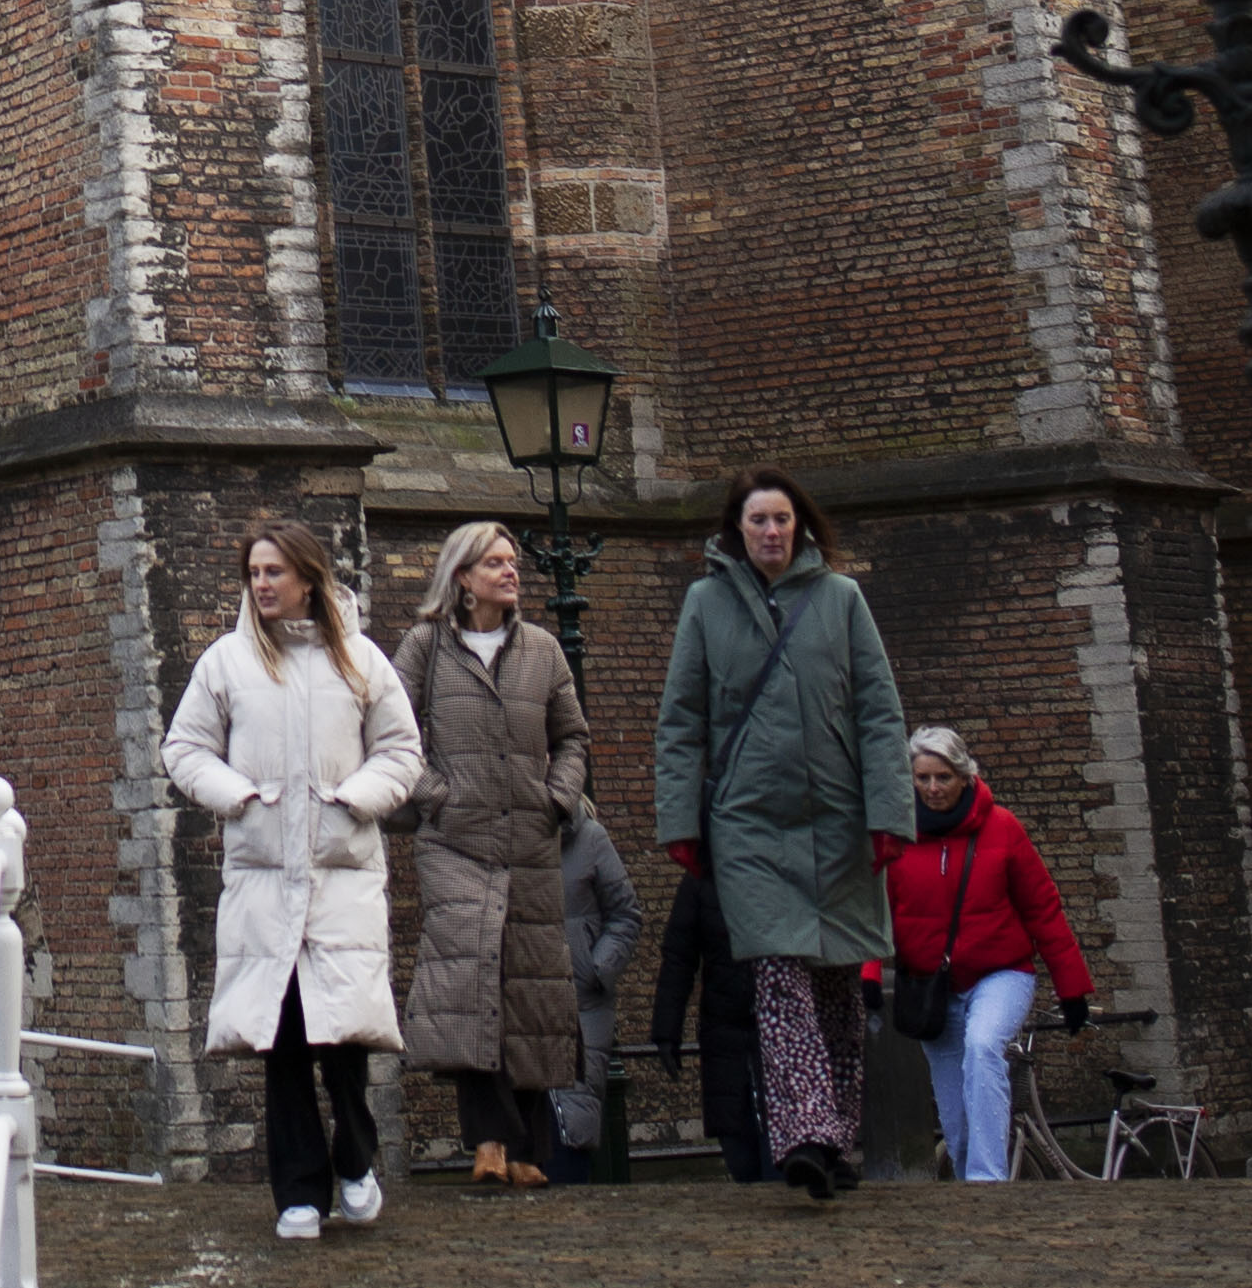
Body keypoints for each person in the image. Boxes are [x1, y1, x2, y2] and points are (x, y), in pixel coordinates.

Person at [650, 468, 911, 1204]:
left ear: (800, 528)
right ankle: (804, 1135)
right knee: (778, 974)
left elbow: (879, 713)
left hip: (839, 819)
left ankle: (837, 1134)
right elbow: (681, 722)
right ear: (737, 528)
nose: (770, 532)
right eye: (758, 520)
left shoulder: (842, 600)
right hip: (749, 824)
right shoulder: (705, 605)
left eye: (782, 520)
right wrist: (681, 822)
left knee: (835, 984)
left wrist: (889, 814)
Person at [160, 517, 422, 1244]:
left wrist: (356, 799)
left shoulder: (360, 661)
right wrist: (239, 796)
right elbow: (183, 748)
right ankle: (296, 1191)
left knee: (344, 1040)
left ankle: (355, 1159)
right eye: (254, 573)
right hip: (266, 882)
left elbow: (402, 750)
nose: (263, 585)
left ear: (309, 578)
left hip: (341, 879)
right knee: (284, 1042)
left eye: (275, 572)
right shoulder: (227, 664)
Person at [389, 521, 589, 1187]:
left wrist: (555, 799)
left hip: (529, 840)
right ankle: (486, 1143)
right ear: (462, 577)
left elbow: (573, 738)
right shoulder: (424, 648)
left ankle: (528, 1148)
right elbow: (389, 732)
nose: (511, 571)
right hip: (456, 842)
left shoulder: (543, 651)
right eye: (495, 563)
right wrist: (434, 795)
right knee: (469, 979)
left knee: (529, 987)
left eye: (513, 561)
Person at [885, 723, 1095, 1180]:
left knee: (983, 1047)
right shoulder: (895, 836)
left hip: (1000, 973)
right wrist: (866, 974)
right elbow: (872, 913)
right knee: (955, 1122)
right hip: (931, 989)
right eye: (922, 778)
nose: (933, 787)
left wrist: (1072, 989)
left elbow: (1043, 910)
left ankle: (988, 1182)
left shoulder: (1002, 828)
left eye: (942, 776)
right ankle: (970, 1188)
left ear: (964, 775)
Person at [549, 771, 640, 1178]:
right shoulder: (509, 837)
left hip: (581, 999)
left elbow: (625, 914)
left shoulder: (591, 839)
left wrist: (597, 966)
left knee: (574, 1123)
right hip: (524, 999)